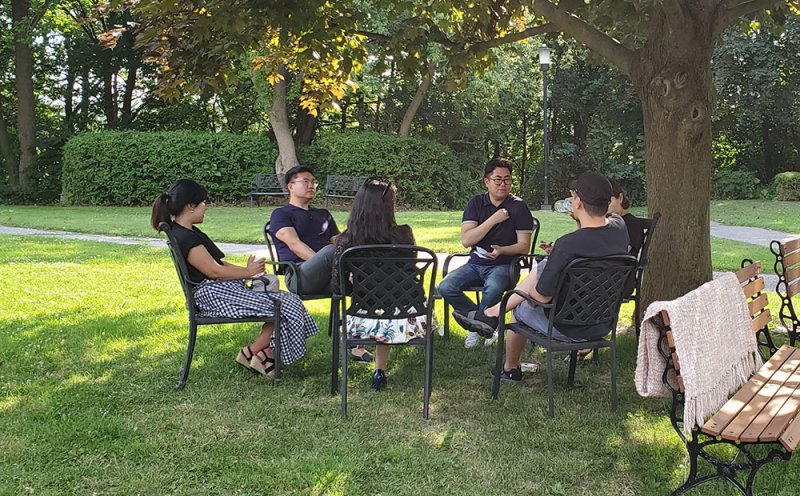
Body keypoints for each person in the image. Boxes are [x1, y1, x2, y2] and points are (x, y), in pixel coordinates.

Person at [454, 172, 629, 381]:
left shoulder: (566, 246)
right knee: (545, 265)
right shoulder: (619, 227)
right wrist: (578, 221)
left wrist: (531, 292)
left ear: (578, 203)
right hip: (603, 323)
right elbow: (592, 237)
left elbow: (541, 297)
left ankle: (510, 367)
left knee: (520, 306)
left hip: (567, 327)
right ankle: (492, 313)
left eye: (574, 196)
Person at [152, 179, 320, 378]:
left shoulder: (188, 233)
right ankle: (265, 355)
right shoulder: (185, 237)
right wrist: (248, 273)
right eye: (203, 203)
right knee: (284, 304)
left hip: (219, 290)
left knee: (287, 300)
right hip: (212, 296)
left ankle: (254, 353)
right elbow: (214, 271)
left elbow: (220, 264)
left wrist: (249, 271)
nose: (206, 207)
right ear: (190, 206)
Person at [331, 178, 431, 390]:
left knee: (377, 307)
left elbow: (338, 287)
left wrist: (362, 289)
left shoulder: (346, 241)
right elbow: (408, 272)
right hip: (407, 317)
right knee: (387, 304)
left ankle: (372, 372)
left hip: (364, 319)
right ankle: (379, 370)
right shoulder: (404, 234)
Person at [270, 165, 371, 362]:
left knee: (368, 282)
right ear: (290, 186)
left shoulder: (323, 214)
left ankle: (356, 343)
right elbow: (294, 244)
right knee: (330, 252)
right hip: (300, 275)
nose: (311, 185)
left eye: (313, 182)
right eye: (305, 181)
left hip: (331, 275)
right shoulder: (281, 214)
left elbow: (340, 242)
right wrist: (329, 262)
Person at [437, 157, 534, 348]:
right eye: (497, 179)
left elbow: (524, 246)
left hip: (505, 265)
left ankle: (478, 326)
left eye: (507, 179)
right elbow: (467, 240)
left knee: (493, 288)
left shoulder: (519, 207)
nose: (503, 184)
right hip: (475, 264)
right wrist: (494, 220)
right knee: (445, 286)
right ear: (486, 181)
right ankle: (479, 325)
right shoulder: (476, 204)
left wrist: (502, 250)